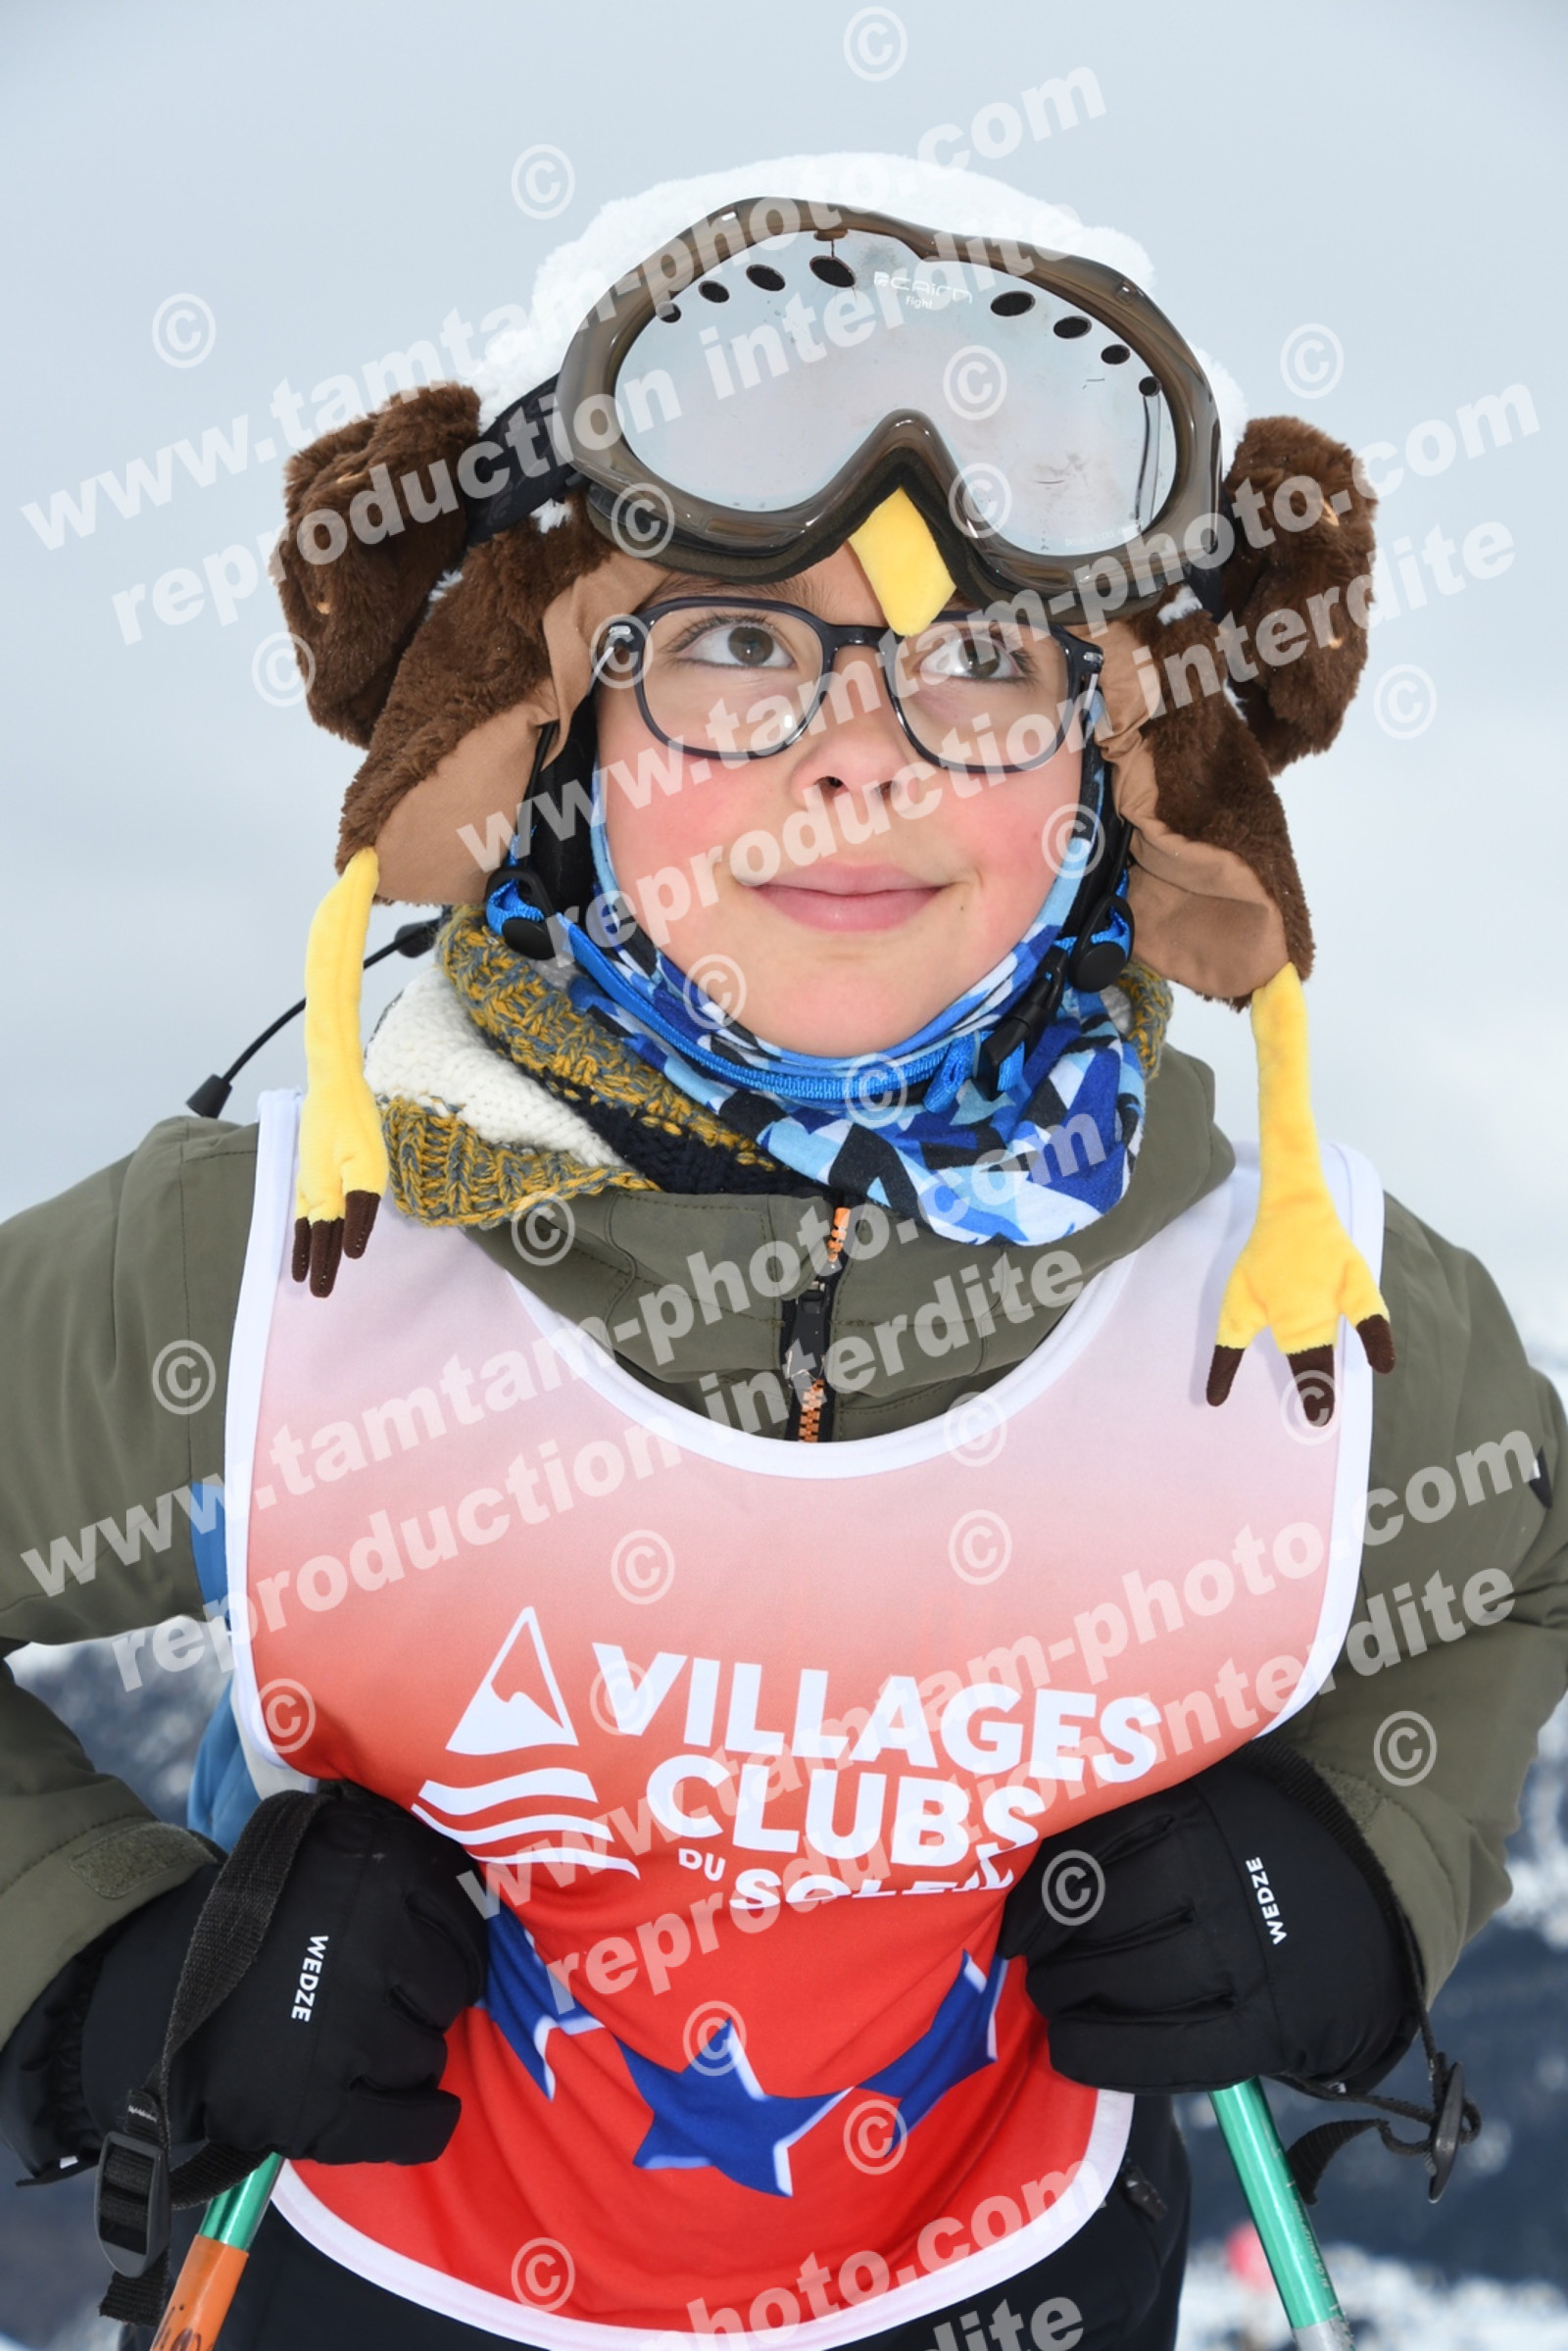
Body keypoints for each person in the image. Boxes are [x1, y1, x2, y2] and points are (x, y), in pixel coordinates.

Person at [1, 152, 1563, 2351]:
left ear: (1112, 763)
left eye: (979, 665)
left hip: (1010, 2277)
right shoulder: (276, 1261)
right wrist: (106, 1963)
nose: (862, 768)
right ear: (555, 731)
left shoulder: (1287, 1300)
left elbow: (1514, 1568)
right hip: (368, 2274)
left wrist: (1351, 1871)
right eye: (740, 649)